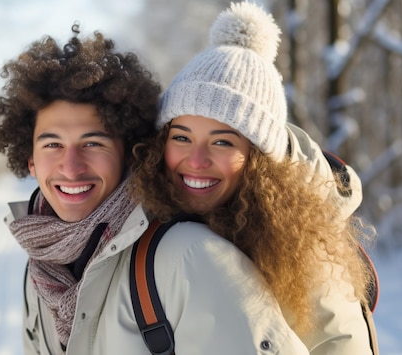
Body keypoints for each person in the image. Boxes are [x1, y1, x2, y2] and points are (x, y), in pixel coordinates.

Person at [0, 25, 309, 354]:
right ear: (31, 161)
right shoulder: (39, 267)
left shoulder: (188, 258)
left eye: (93, 143)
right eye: (53, 144)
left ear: (127, 152)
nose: (71, 166)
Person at [130, 2, 378, 354]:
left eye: (222, 142)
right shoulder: (145, 222)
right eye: (182, 137)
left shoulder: (303, 253)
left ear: (259, 161)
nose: (196, 160)